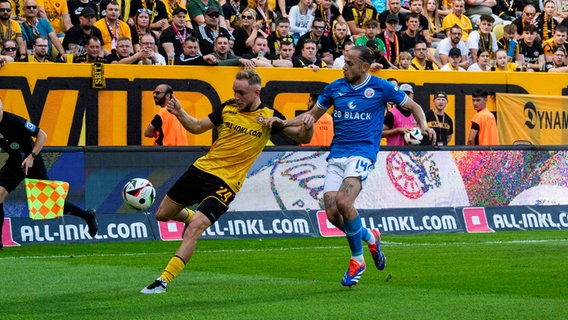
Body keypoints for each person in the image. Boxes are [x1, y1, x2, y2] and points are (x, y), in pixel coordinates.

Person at [266, 46, 435, 287]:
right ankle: (370, 236)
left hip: (362, 153)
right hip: (337, 155)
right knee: (333, 214)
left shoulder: (381, 87)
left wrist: (424, 125)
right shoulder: (335, 87)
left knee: (345, 202)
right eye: (344, 62)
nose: (344, 66)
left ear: (364, 67)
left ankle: (358, 260)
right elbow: (311, 116)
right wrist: (282, 122)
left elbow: (414, 107)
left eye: (349, 63)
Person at [140, 70, 313, 294]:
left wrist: (308, 124)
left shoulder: (270, 118)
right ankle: (193, 216)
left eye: (241, 92)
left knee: (196, 227)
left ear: (256, 92)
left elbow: (303, 138)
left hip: (226, 183)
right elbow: (196, 127)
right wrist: (180, 112)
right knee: (162, 215)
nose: (236, 96)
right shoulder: (227, 108)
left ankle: (163, 280)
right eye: (234, 91)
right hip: (201, 170)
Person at [0, 98, 98, 250]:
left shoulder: (14, 121)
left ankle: (87, 216)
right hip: (14, 162)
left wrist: (31, 156)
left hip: (31, 160)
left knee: (51, 203)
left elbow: (42, 135)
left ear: (1, 109)